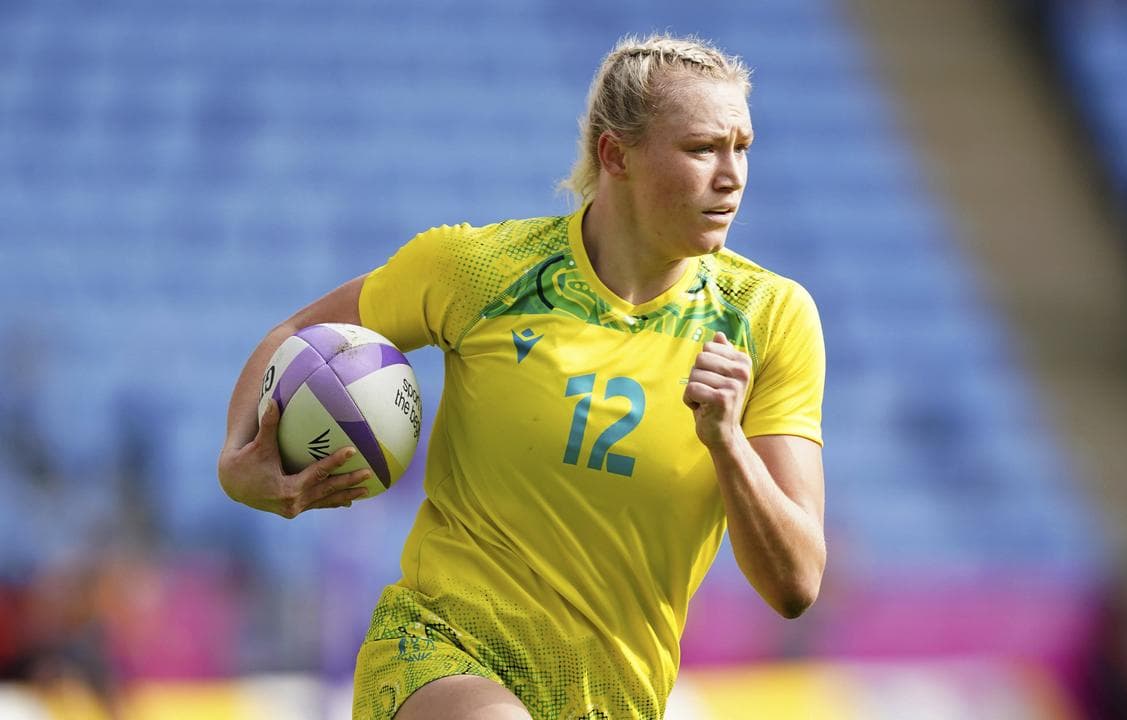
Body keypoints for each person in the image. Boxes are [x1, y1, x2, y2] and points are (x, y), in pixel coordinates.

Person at [217, 33, 826, 720]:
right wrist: (238, 462)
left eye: (741, 147)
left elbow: (795, 583)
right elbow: (295, 335)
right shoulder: (480, 271)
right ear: (615, 154)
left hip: (615, 699)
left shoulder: (770, 318)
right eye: (700, 149)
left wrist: (728, 443)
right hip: (438, 654)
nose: (732, 174)